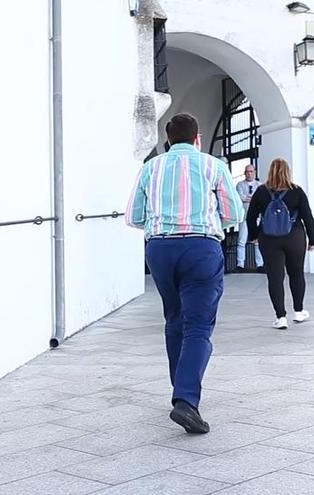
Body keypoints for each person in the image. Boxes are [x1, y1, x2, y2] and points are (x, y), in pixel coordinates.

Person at [125, 113, 244, 434]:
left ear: (167, 139)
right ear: (197, 138)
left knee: (174, 319)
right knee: (198, 326)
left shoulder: (151, 167)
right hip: (200, 248)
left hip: (160, 250)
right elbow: (234, 213)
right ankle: (186, 400)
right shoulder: (214, 166)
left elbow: (133, 217)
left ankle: (180, 388)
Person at [246, 158, 314, 330]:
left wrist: (254, 235)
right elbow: (308, 217)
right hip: (295, 237)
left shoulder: (261, 191)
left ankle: (280, 317)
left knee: (275, 278)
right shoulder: (297, 191)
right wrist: (313, 240)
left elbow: (250, 216)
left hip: (269, 239)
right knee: (296, 274)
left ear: (270, 171)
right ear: (288, 171)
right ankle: (298, 312)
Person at [235, 164, 264, 273]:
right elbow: (239, 198)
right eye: (247, 171)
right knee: (241, 240)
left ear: (254, 172)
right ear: (244, 173)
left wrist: (248, 199)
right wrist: (251, 199)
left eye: (251, 171)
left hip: (256, 216)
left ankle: (260, 264)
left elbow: (259, 200)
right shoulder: (240, 185)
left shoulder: (259, 185)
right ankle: (240, 264)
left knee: (258, 241)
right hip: (244, 216)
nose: (249, 173)